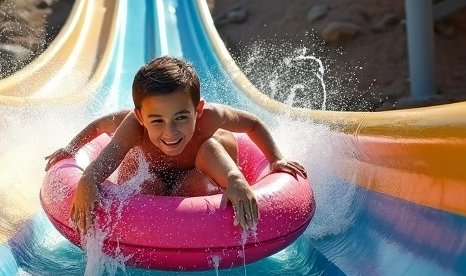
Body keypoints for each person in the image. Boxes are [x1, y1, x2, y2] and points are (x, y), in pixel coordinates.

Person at [45, 56, 306, 233]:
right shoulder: (133, 126)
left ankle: (233, 179)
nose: (170, 131)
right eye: (157, 120)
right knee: (143, 179)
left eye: (181, 117)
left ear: (198, 110)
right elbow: (101, 133)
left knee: (206, 152)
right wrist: (81, 166)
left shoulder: (211, 117)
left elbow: (253, 123)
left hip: (201, 172)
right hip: (156, 172)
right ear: (140, 117)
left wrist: (275, 159)